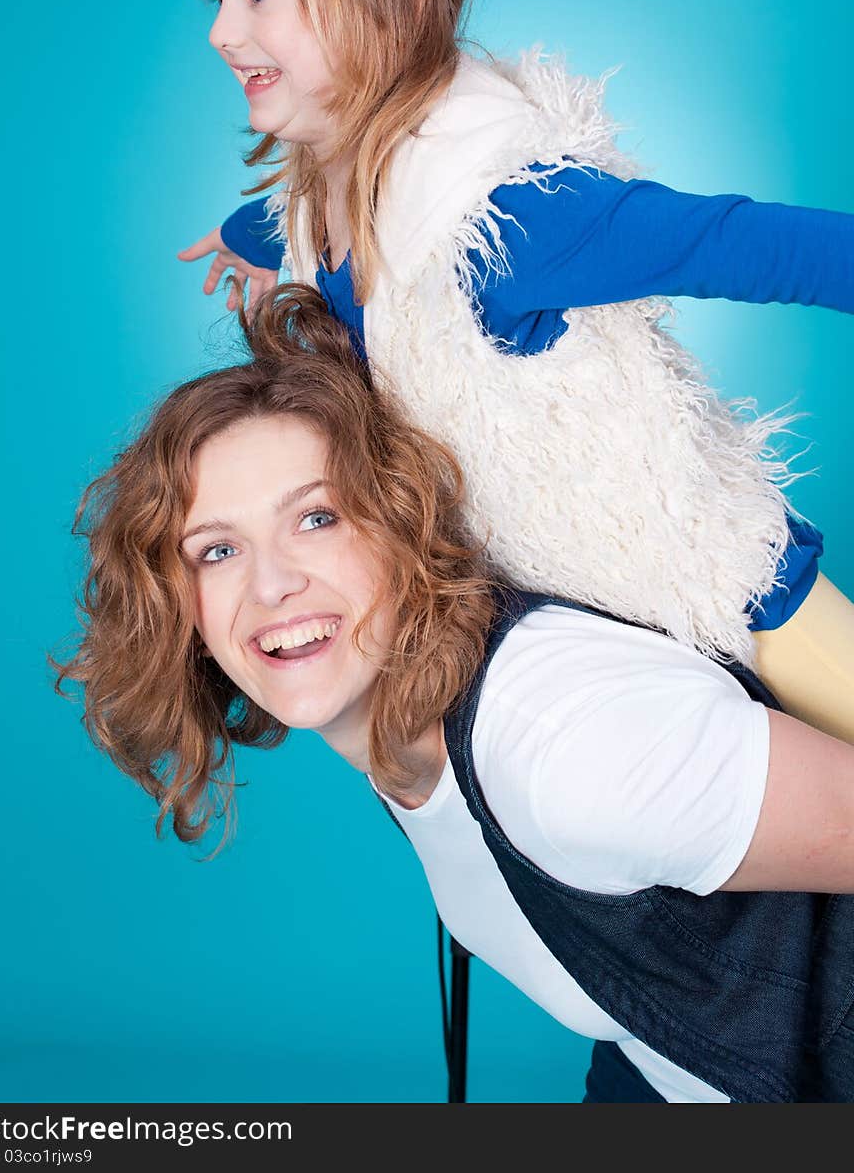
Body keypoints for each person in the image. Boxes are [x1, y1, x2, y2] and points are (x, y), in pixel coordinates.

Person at [57, 284, 854, 1103]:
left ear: (404, 522)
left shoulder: (567, 742)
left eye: (319, 518)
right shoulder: (398, 724)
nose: (271, 586)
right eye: (216, 551)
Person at [175, 0, 854, 745]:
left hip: (727, 601)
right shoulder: (327, 188)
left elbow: (741, 242)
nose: (220, 31)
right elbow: (304, 218)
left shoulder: (511, 214)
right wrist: (240, 231)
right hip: (564, 615)